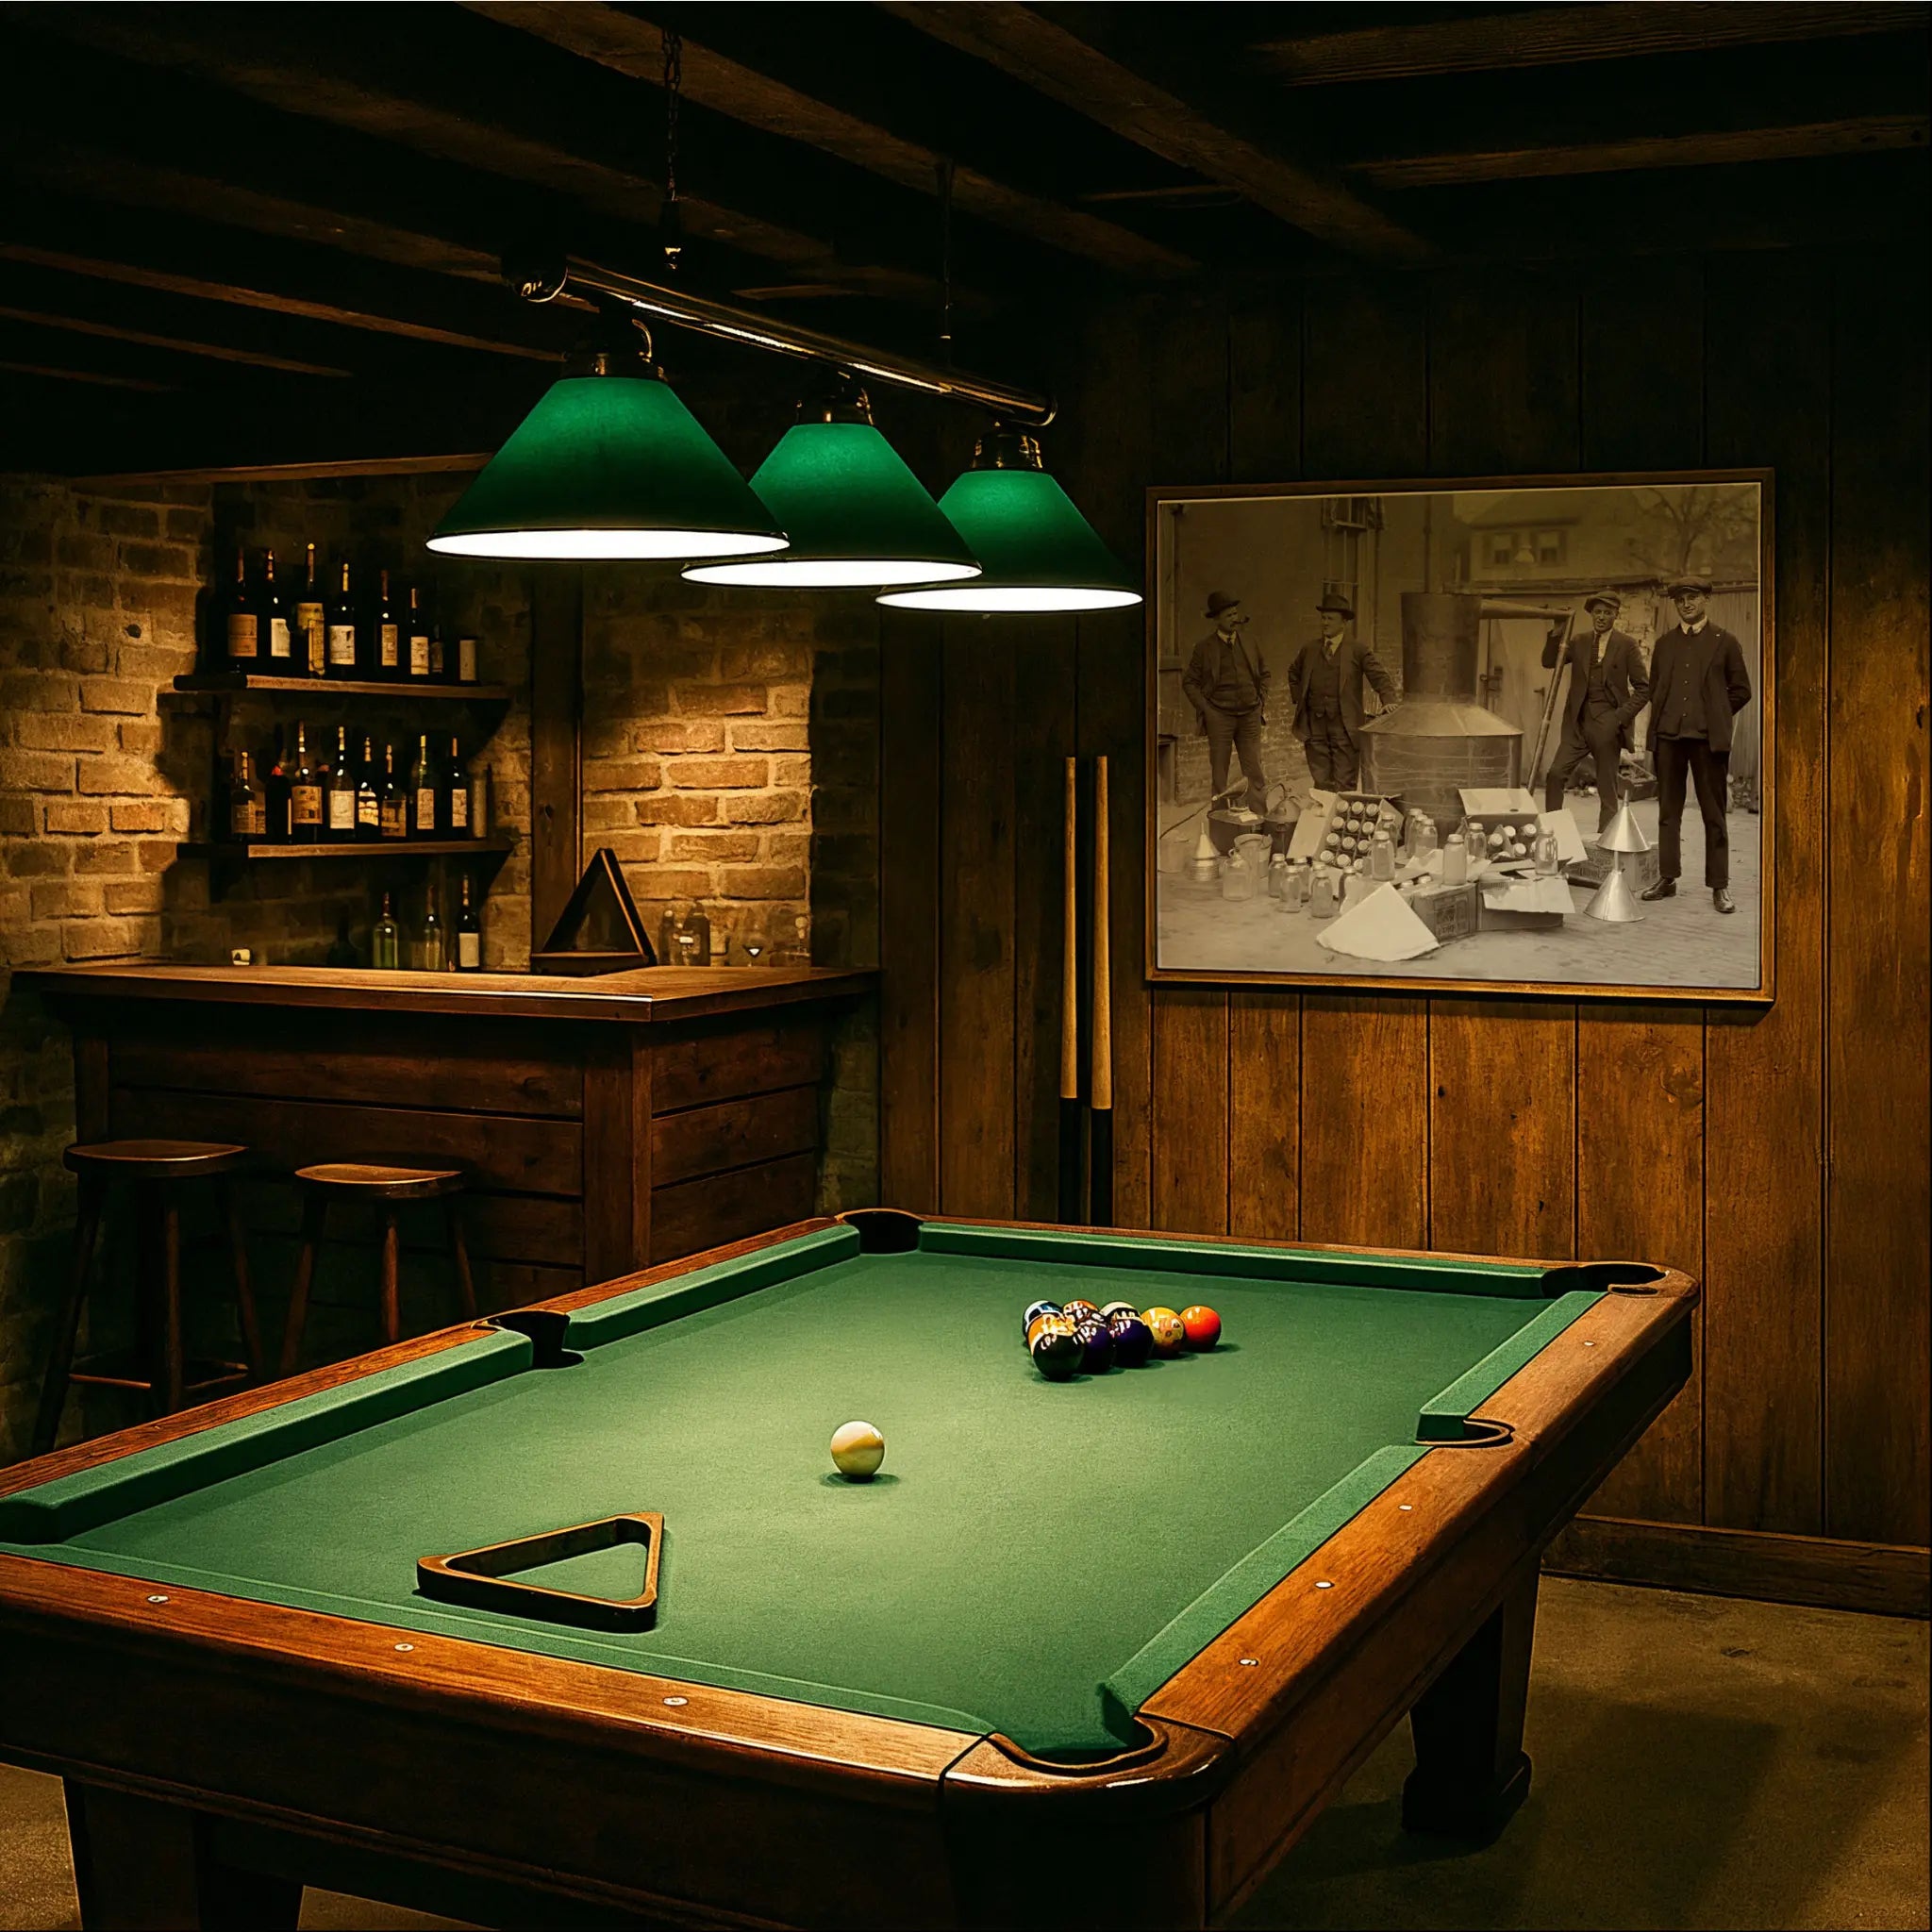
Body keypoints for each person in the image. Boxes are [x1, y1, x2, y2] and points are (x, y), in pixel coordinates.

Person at [1642, 575, 1753, 914]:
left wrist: (1717, 714)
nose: (1686, 604)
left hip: (1707, 742)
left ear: (1706, 599)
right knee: (1667, 814)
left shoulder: (1725, 642)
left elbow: (1741, 690)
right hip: (1669, 739)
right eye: (1679, 599)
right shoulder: (1664, 644)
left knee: (1714, 816)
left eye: (1692, 597)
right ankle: (1667, 877)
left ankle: (1719, 886)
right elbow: (1656, 689)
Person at [1541, 591, 1651, 833]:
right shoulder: (1579, 641)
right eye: (1598, 612)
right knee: (1555, 774)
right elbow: (1550, 661)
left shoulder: (1627, 645)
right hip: (1577, 726)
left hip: (1607, 726)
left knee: (1607, 789)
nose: (1602, 617)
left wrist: (1618, 718)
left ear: (1615, 615)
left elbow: (1644, 689)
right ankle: (1553, 835)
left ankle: (1606, 845)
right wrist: (1557, 631)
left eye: (1607, 613)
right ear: (1591, 614)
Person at [1286, 591, 1399, 791]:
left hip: (1344, 727)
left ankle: (1343, 820)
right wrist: (1300, 698)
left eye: (1330, 618)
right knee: (1321, 781)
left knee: (1345, 782)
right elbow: (1293, 672)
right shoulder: (1310, 649)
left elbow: (1379, 676)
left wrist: (1388, 699)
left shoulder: (1357, 650)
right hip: (1315, 727)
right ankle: (1324, 817)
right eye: (1323, 618)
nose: (1325, 623)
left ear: (1343, 622)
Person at [1181, 591, 1269, 809]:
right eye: (1228, 615)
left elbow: (1264, 673)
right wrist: (1207, 710)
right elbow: (1189, 682)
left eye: (1235, 613)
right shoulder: (1204, 648)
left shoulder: (1249, 642)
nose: (1234, 618)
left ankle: (1259, 817)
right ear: (1217, 619)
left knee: (1254, 770)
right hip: (1220, 717)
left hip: (1249, 715)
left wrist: (1260, 702)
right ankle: (1220, 822)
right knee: (1220, 774)